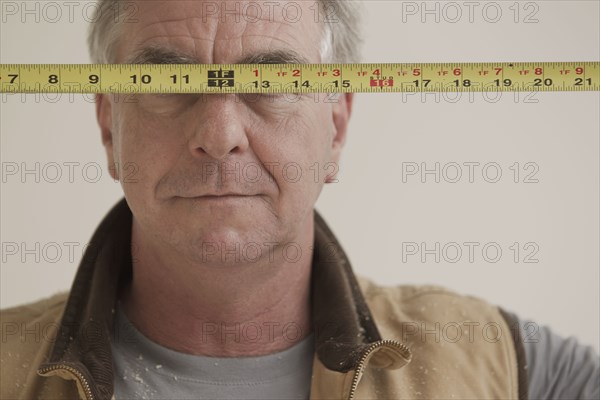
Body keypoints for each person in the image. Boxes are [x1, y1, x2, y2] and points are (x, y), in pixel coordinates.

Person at [1, 0, 598, 399]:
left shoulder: (502, 363)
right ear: (109, 126)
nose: (219, 136)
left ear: (335, 127)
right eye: (164, 82)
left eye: (271, 84)